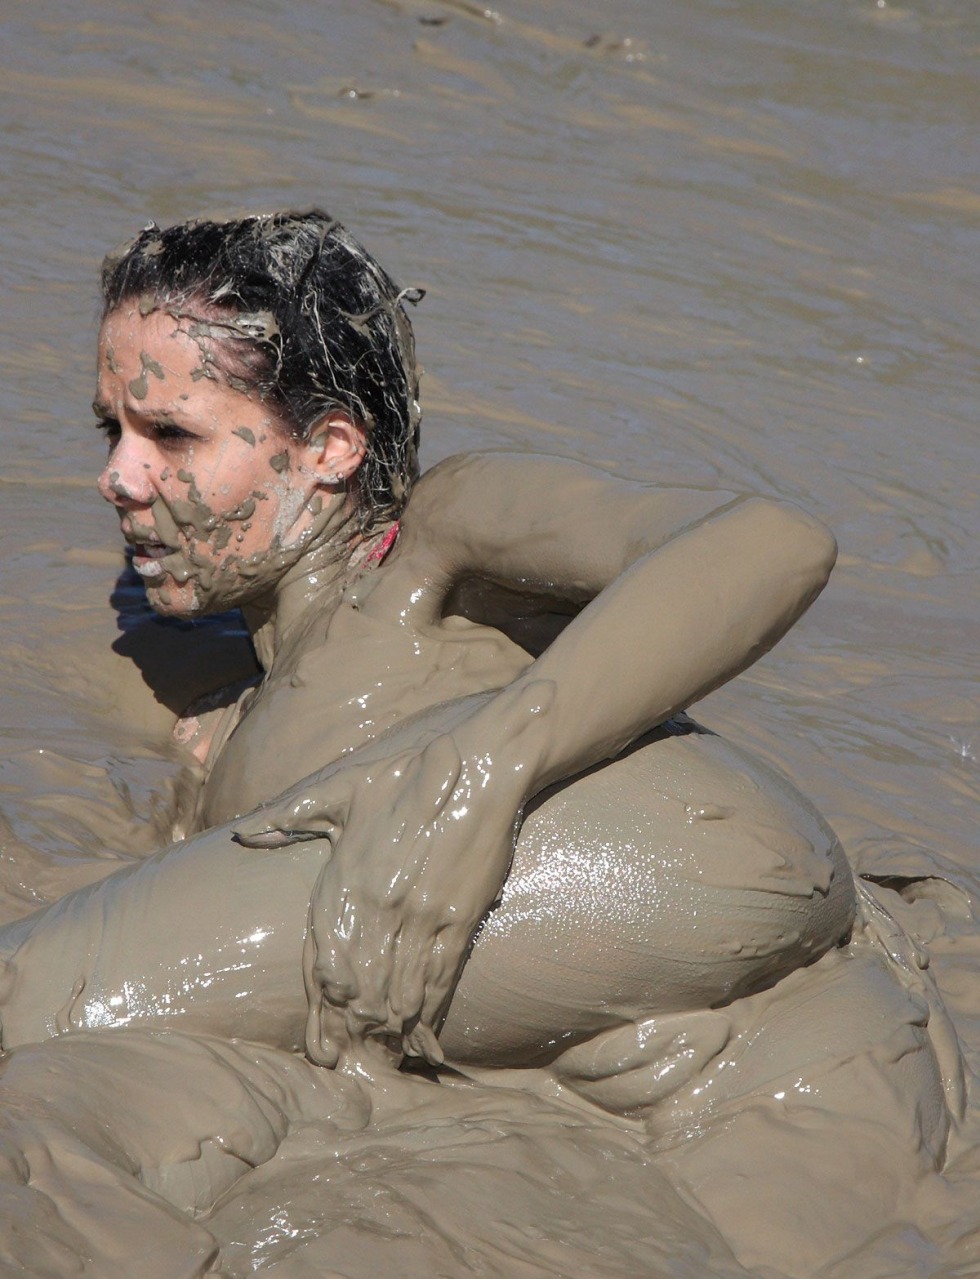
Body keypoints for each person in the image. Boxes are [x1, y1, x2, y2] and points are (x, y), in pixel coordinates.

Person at [0, 209, 862, 1075]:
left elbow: (774, 540)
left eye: (172, 434)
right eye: (113, 430)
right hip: (700, 887)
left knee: (29, 998)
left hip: (676, 848)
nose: (116, 476)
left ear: (331, 448)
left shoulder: (431, 541)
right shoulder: (239, 701)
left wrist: (483, 768)